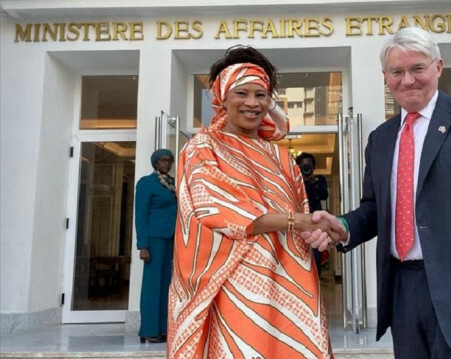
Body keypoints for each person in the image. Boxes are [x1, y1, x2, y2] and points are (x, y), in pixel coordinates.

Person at [303, 27, 451, 358]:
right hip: (404, 291)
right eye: (397, 72)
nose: (407, 80)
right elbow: (375, 208)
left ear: (437, 67)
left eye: (417, 69)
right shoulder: (380, 139)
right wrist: (343, 225)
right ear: (386, 77)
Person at [167, 45, 336, 359]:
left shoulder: (283, 158)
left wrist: (319, 230)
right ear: (222, 97)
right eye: (241, 93)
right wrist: (296, 221)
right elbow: (214, 210)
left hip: (293, 286)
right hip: (234, 289)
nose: (252, 103)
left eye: (261, 95)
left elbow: (302, 219)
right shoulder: (203, 148)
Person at [135, 148, 177, 344]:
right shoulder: (146, 183)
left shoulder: (172, 184)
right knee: (152, 285)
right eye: (163, 161)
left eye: (169, 161)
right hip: (153, 240)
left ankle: (162, 328)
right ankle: (149, 329)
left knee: (166, 285)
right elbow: (140, 215)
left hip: (170, 239)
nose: (167, 164)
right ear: (155, 163)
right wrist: (142, 245)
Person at [296, 152, 329, 275]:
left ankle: (316, 289)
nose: (306, 168)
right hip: (299, 226)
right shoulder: (296, 182)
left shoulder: (319, 180)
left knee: (316, 260)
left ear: (313, 167)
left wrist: (313, 181)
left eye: (308, 165)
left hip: (316, 226)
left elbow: (324, 195)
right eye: (303, 166)